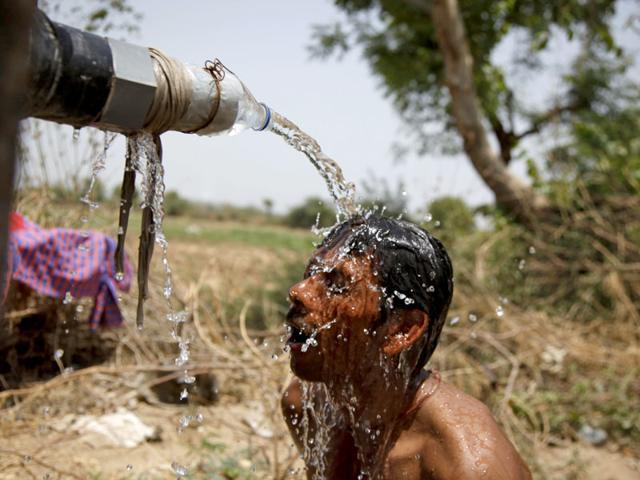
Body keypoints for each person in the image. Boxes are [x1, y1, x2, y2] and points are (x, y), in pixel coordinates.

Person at [281, 214, 531, 479]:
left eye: (339, 285)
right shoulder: (308, 405)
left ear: (401, 330)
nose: (299, 291)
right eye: (311, 273)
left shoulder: (469, 464)